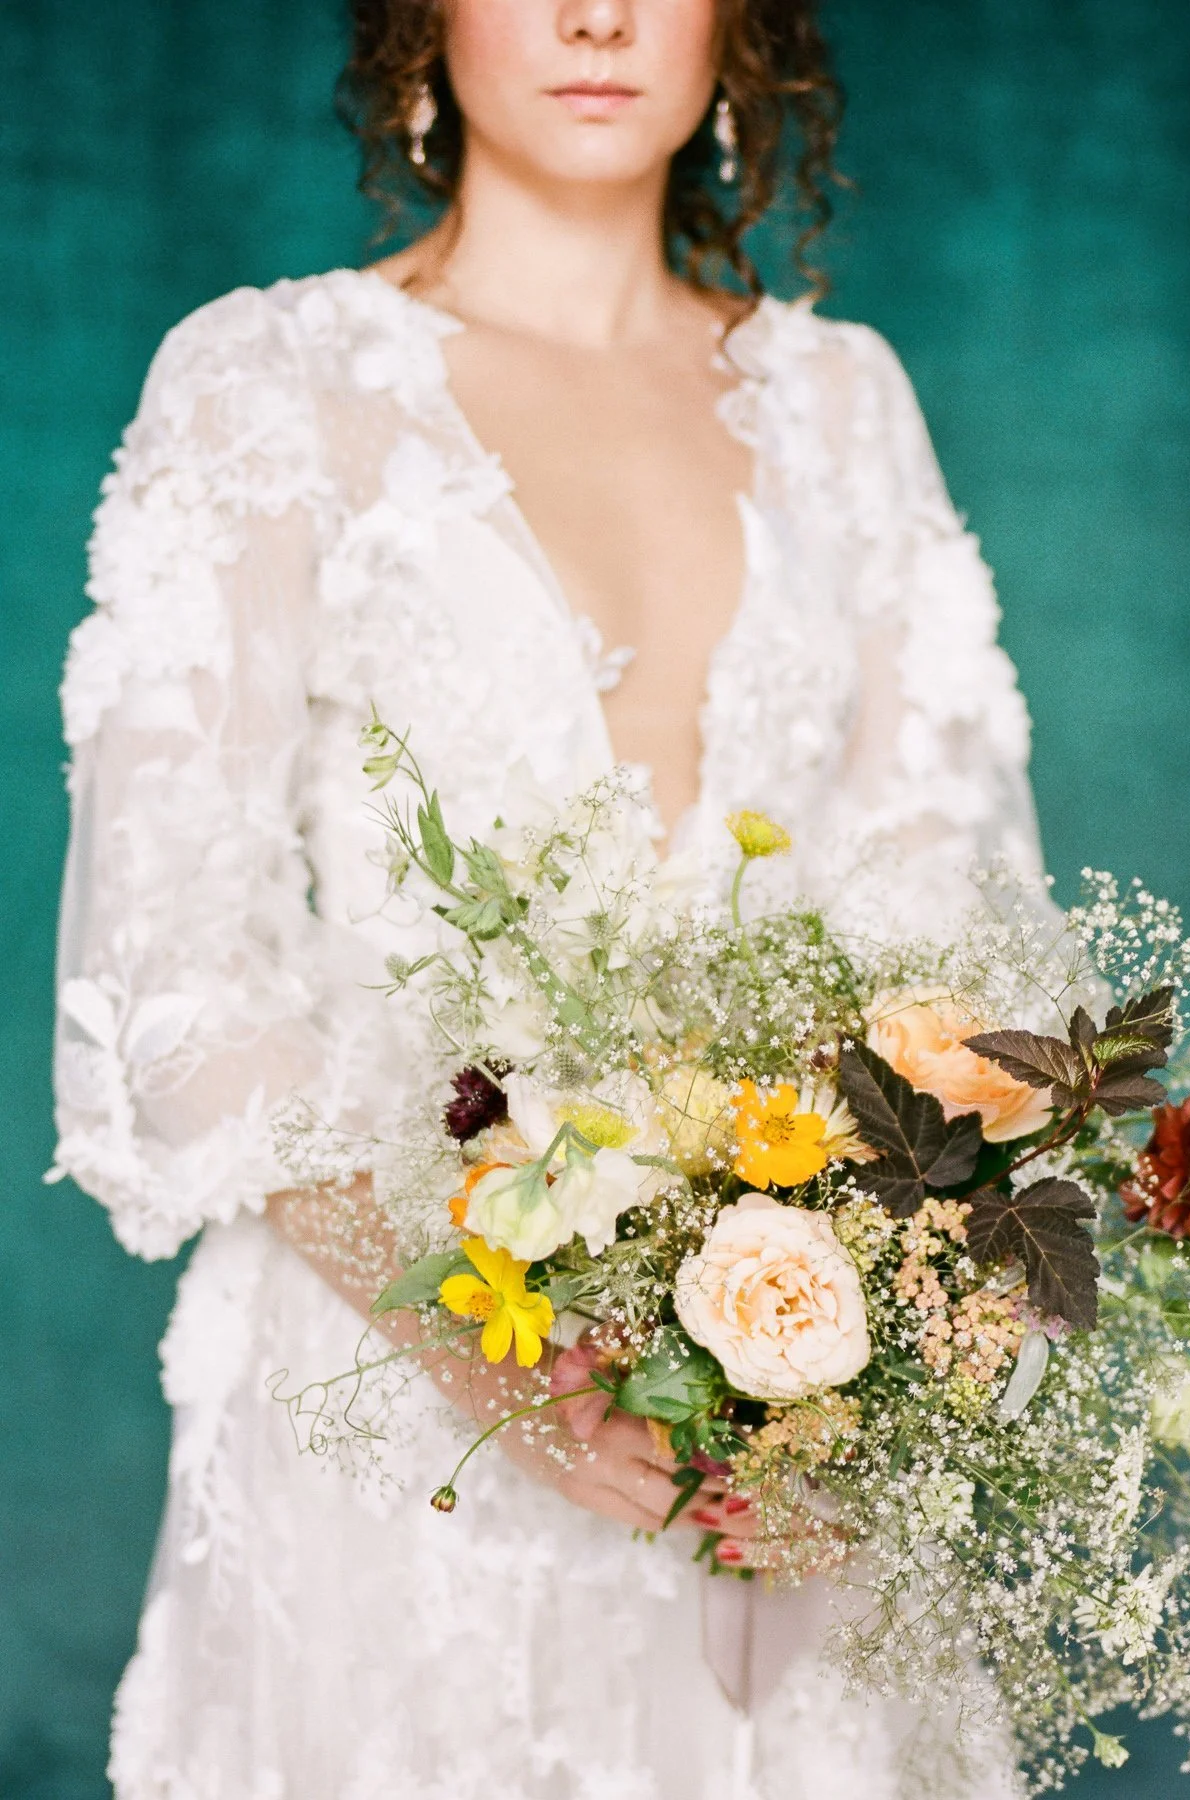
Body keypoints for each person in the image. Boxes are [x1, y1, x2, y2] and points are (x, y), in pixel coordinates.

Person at [53, 2, 1045, 1793]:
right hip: (396, 1410)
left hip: (789, 1413)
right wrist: (492, 1354)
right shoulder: (273, 385)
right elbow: (175, 957)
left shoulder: (845, 404)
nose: (597, 16)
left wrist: (896, 1338)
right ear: (418, 25)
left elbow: (957, 929)